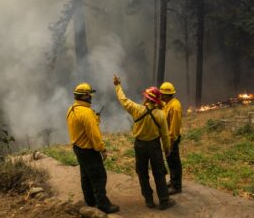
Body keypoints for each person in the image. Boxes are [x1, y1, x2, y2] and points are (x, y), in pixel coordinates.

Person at [113, 75, 176, 210]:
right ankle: (164, 201)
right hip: (154, 146)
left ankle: (148, 200)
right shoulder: (160, 114)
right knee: (159, 173)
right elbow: (165, 135)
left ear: (147, 98)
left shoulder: (137, 109)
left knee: (142, 173)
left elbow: (123, 100)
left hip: (140, 145)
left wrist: (117, 85)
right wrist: (167, 149)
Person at [66, 82, 119, 214]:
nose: (91, 97)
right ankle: (103, 204)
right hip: (89, 150)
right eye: (89, 95)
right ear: (85, 96)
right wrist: (102, 149)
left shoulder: (72, 109)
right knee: (99, 176)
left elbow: (82, 127)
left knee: (86, 175)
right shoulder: (87, 113)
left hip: (78, 148)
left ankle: (90, 201)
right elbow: (94, 136)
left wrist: (95, 120)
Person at [160, 82, 183, 195]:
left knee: (174, 161)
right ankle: (173, 181)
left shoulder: (175, 106)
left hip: (172, 139)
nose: (160, 96)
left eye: (162, 94)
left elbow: (174, 127)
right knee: (170, 160)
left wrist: (171, 141)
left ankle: (177, 186)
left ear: (167, 95)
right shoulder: (167, 103)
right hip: (167, 138)